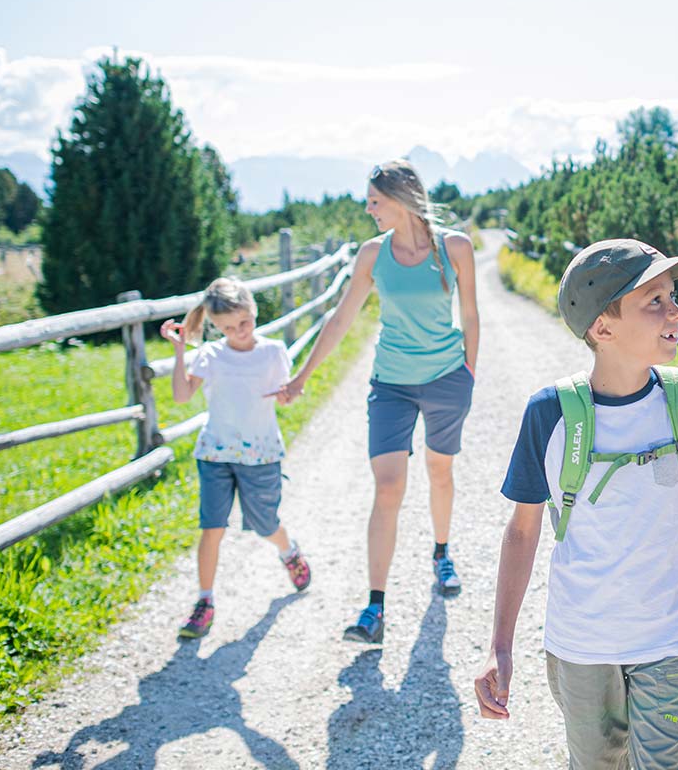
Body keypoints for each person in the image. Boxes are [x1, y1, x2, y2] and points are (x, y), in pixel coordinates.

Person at [474, 239, 678, 769]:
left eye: (672, 296)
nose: (677, 311)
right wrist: (500, 646)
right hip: (581, 644)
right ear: (603, 329)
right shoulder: (549, 414)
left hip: (669, 638)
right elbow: (522, 532)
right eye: (654, 301)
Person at [276, 159, 479, 644]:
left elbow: (470, 314)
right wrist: (303, 375)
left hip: (447, 379)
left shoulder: (454, 248)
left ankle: (442, 551)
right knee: (387, 486)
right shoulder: (372, 255)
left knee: (440, 470)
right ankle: (375, 608)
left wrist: (469, 374)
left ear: (401, 199)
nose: (369, 210)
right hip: (391, 384)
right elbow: (341, 319)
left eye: (375, 201)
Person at [161, 277, 311, 640]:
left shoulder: (273, 351)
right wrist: (181, 349)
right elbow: (182, 397)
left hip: (260, 455)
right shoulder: (210, 355)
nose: (238, 332)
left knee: (264, 525)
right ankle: (204, 601)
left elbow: (285, 395)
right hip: (215, 454)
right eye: (228, 327)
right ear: (215, 327)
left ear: (254, 312)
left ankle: (288, 551)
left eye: (244, 323)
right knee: (211, 526)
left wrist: (290, 394)